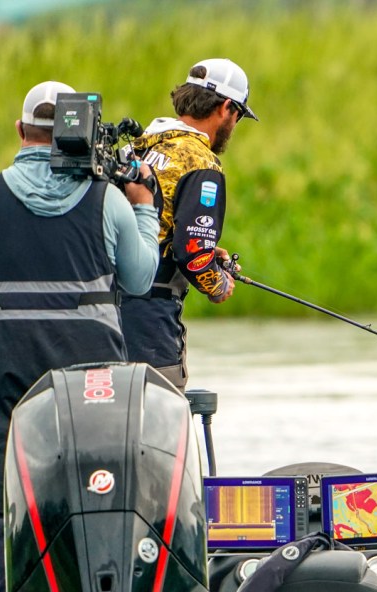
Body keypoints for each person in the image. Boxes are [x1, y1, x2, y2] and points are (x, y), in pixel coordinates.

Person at [0, 80, 160, 592]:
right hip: (94, 373)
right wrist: (144, 209)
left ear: (20, 131)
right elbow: (138, 281)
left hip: (5, 366)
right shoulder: (107, 200)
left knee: (3, 507)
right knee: (100, 499)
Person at [121, 57, 257, 391]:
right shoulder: (201, 162)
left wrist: (208, 251)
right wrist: (218, 284)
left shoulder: (140, 146)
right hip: (148, 318)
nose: (235, 124)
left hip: (99, 310)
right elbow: (192, 253)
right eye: (238, 115)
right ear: (226, 108)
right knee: (156, 407)